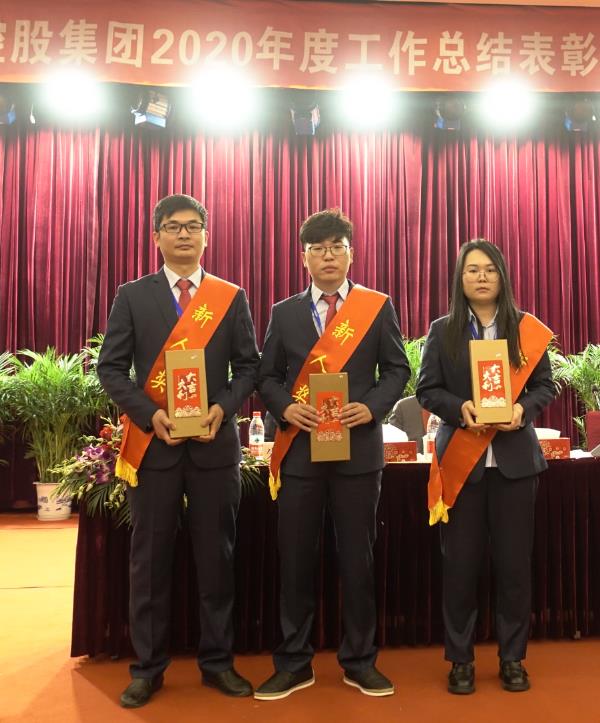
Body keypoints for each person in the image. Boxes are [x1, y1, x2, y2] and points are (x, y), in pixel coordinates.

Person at [97, 194, 259, 707]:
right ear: (156, 237)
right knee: (149, 561)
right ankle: (147, 668)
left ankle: (218, 663)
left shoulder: (229, 297)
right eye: (173, 226)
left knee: (217, 558)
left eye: (193, 226)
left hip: (214, 447)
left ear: (206, 235)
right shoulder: (132, 296)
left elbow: (248, 367)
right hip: (155, 446)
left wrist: (223, 409)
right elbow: (110, 368)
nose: (184, 234)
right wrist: (150, 415)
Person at [255, 209, 410, 700]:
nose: (328, 255)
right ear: (303, 257)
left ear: (351, 253)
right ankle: (294, 662)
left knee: (358, 561)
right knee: (295, 561)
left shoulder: (375, 306)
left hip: (358, 455)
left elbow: (397, 370)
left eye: (336, 246)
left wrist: (372, 408)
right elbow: (266, 377)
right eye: (318, 248)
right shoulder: (284, 313)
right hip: (301, 454)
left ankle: (360, 661)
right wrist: (286, 407)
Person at [416, 239, 555, 696]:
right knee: (460, 567)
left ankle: (513, 658)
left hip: (514, 464)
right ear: (460, 278)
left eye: (489, 269)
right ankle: (460, 660)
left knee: (514, 568)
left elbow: (545, 386)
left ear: (502, 276)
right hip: (463, 465)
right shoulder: (443, 330)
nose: (481, 277)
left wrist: (522, 410)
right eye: (472, 269)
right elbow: (427, 390)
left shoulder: (525, 330)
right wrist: (461, 409)